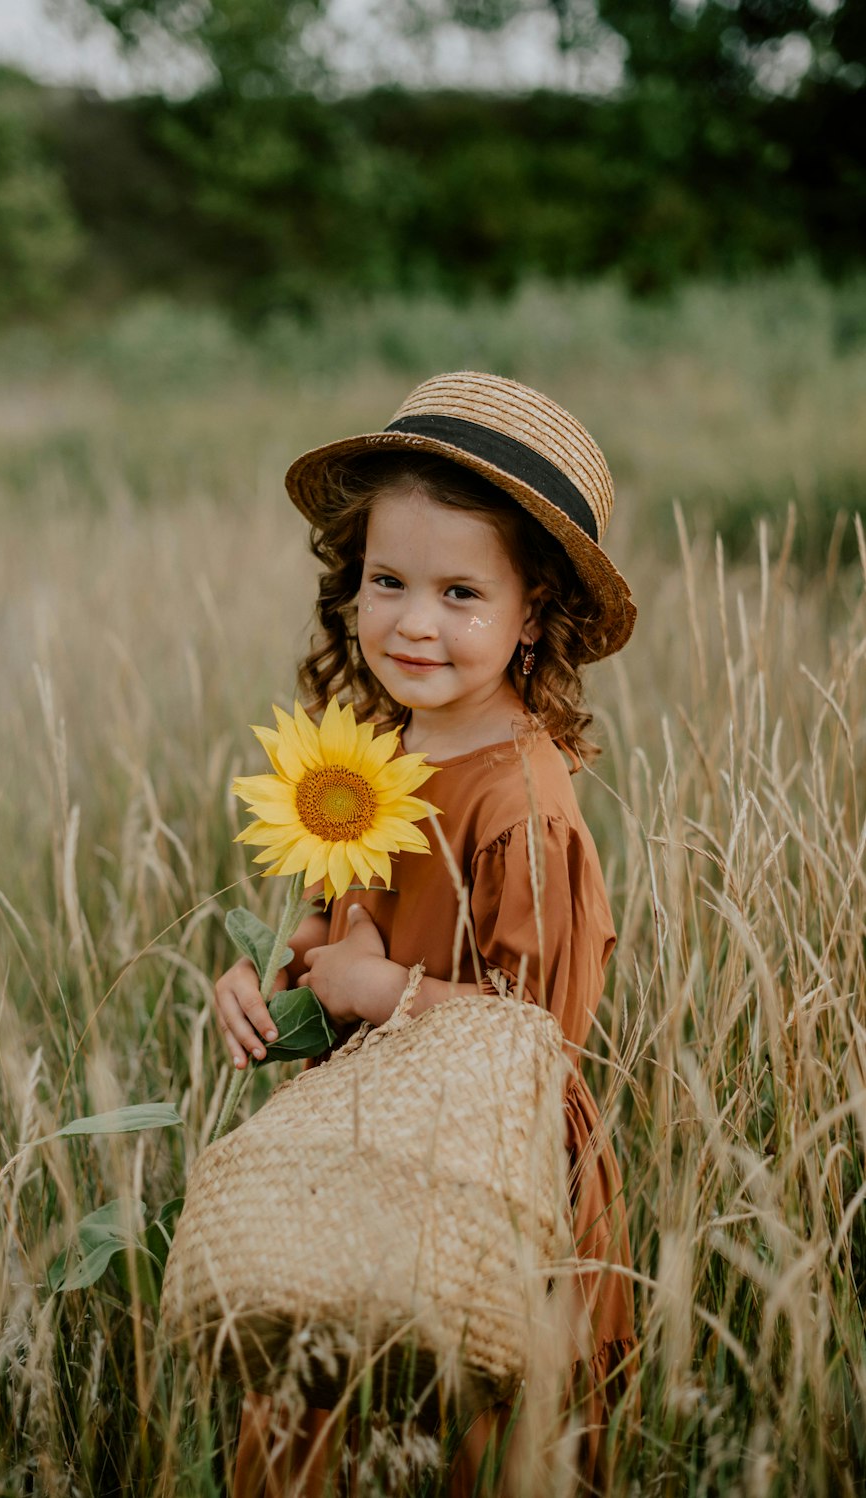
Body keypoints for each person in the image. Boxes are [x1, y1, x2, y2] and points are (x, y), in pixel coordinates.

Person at [213, 371, 638, 1494]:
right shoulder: (362, 749)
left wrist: (375, 992)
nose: (413, 620)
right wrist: (273, 989)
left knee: (470, 1446)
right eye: (387, 580)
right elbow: (322, 923)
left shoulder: (521, 802)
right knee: (310, 1433)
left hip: (489, 1190)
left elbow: (541, 1036)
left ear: (532, 613)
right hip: (358, 1165)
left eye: (461, 593)